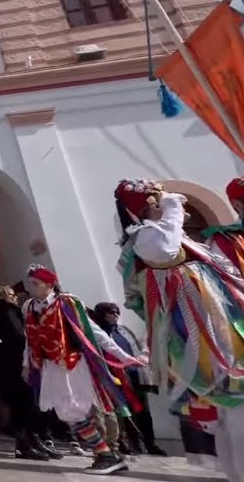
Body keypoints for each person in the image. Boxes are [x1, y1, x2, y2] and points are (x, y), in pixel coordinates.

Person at [114, 179, 244, 478]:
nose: (180, 205)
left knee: (233, 416)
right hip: (202, 344)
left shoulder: (183, 240)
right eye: (164, 200)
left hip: (221, 334)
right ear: (152, 207)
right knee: (235, 415)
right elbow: (164, 251)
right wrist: (171, 209)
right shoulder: (147, 237)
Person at [22, 264, 144, 475]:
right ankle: (105, 454)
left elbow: (94, 331)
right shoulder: (30, 307)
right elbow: (29, 339)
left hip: (72, 364)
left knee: (77, 409)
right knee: (66, 412)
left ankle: (106, 454)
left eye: (36, 283)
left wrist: (124, 357)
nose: (32, 288)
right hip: (50, 367)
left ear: (50, 284)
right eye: (30, 284)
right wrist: (27, 364)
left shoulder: (67, 303)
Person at [0, 284, 58, 461]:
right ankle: (24, 445)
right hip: (13, 365)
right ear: (1, 296)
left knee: (23, 406)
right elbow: (19, 336)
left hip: (4, 366)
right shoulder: (6, 312)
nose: (15, 297)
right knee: (23, 406)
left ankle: (33, 442)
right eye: (11, 294)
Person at [90, 302, 165, 456]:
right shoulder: (99, 334)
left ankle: (150, 443)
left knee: (143, 411)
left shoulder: (124, 331)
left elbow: (137, 349)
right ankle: (127, 443)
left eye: (117, 312)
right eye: (111, 312)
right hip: (114, 378)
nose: (115, 315)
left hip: (134, 376)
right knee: (122, 412)